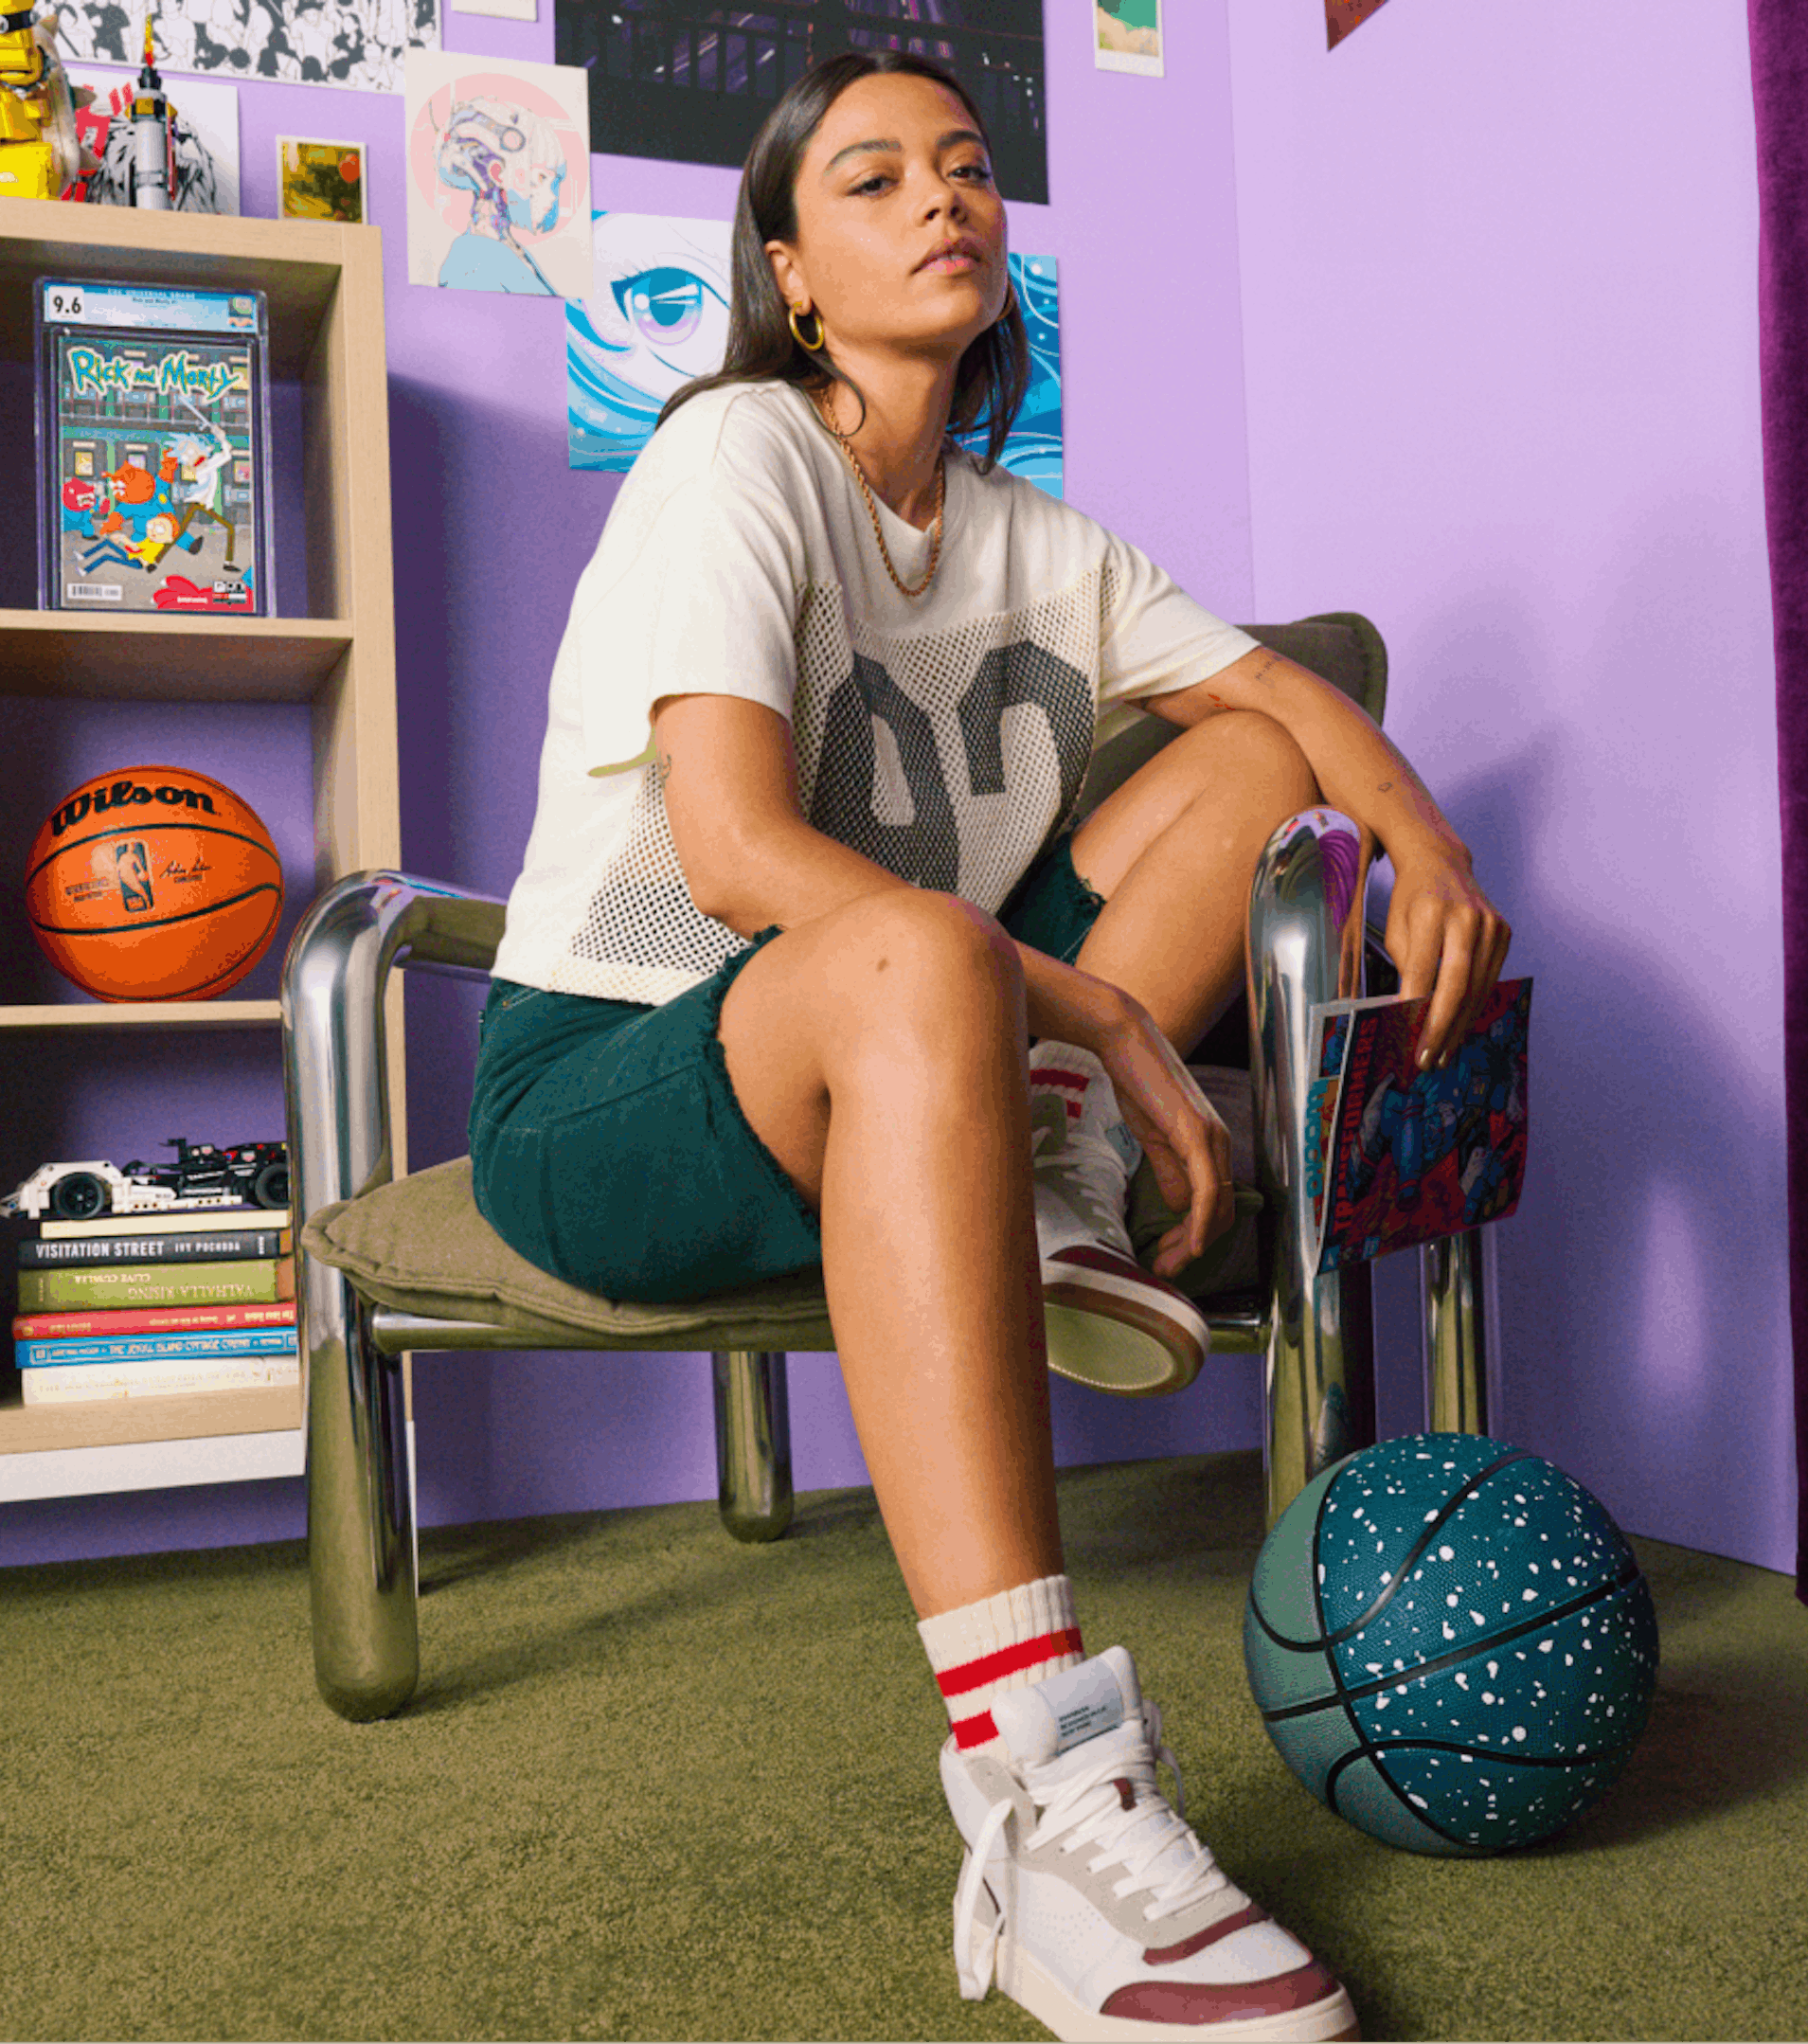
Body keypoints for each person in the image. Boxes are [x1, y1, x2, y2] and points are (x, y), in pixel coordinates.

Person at [475, 49, 1509, 2044]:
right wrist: (1105, 1008)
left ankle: (1050, 1177)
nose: (945, 197)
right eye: (874, 179)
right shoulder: (736, 456)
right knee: (930, 950)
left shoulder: (1034, 534)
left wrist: (1431, 846)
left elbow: (1283, 697)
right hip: (611, 1073)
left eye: (966, 167)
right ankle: (1037, 1784)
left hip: (908, 1022)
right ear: (788, 267)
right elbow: (737, 849)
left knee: (1241, 763)